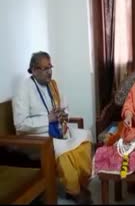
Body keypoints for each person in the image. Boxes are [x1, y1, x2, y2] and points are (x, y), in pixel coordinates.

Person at [12, 51, 93, 204]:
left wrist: (64, 116)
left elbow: (64, 106)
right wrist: (47, 119)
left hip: (57, 129)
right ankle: (74, 191)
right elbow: (20, 124)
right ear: (34, 70)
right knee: (64, 150)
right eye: (45, 68)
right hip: (36, 138)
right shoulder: (23, 90)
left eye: (50, 67)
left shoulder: (53, 84)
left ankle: (80, 183)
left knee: (85, 136)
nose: (49, 71)